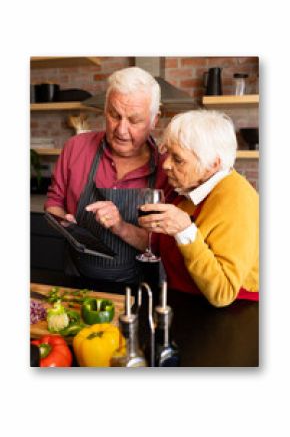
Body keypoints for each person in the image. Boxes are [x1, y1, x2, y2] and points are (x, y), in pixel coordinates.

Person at [45, 67, 173, 286]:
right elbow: (53, 204)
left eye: (134, 121)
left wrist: (120, 226)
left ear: (154, 120)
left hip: (141, 289)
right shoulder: (76, 148)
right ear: (105, 110)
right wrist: (64, 225)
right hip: (76, 281)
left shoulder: (168, 167)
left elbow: (166, 245)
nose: (122, 130)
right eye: (115, 115)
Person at [138, 110, 259, 307]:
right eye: (167, 152)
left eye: (178, 159)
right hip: (186, 304)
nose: (166, 165)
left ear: (213, 164)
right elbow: (161, 243)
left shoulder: (237, 200)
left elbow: (223, 292)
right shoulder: (188, 189)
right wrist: (118, 226)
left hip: (232, 315)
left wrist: (185, 230)